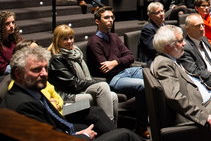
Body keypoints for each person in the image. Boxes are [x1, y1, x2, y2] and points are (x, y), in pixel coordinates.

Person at [3, 46, 141, 141]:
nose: (44, 74)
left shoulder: (30, 90)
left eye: (45, 68)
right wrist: (82, 137)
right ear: (18, 74)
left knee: (96, 115)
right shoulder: (23, 105)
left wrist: (73, 133)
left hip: (62, 131)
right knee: (125, 135)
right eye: (36, 69)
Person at [86, 7, 149, 138]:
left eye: (112, 17)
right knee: (143, 85)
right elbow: (105, 68)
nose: (110, 20)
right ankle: (141, 125)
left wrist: (115, 62)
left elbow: (130, 56)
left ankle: (156, 114)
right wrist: (121, 61)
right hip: (113, 79)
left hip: (126, 71)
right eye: (106, 17)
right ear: (97, 21)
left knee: (151, 75)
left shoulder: (114, 37)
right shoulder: (94, 42)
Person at [48, 25, 119, 122]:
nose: (69, 41)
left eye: (71, 38)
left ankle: (111, 128)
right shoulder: (57, 59)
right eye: (65, 39)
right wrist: (93, 83)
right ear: (57, 40)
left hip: (79, 91)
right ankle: (108, 125)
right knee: (102, 87)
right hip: (67, 98)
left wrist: (92, 82)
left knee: (113, 96)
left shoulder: (76, 53)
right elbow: (72, 84)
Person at [138, 2, 167, 67]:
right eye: (157, 13)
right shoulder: (148, 29)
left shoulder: (166, 25)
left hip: (164, 56)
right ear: (150, 16)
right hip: (152, 59)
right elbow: (153, 48)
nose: (162, 14)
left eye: (162, 11)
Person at [0, 11, 22, 75]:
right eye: (7, 23)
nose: (12, 26)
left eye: (13, 22)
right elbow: (3, 69)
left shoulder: (15, 37)